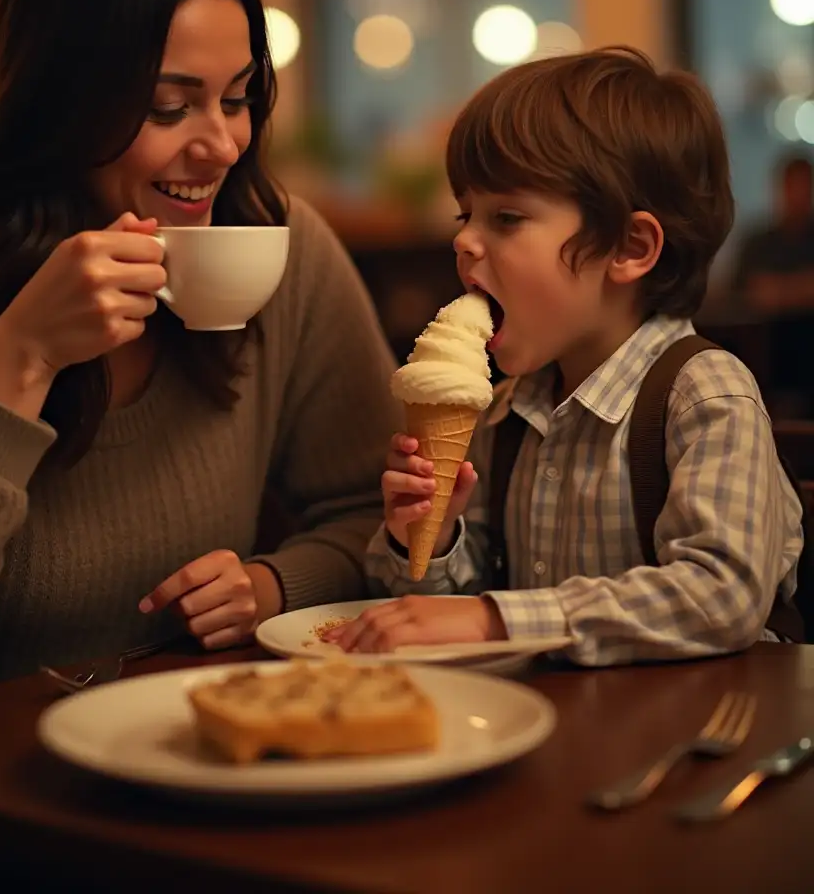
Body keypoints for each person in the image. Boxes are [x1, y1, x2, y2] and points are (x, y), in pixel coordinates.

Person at [0, 0, 398, 702]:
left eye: (236, 99)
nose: (224, 144)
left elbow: (388, 518)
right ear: (55, 106)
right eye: (171, 106)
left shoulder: (279, 250)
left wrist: (274, 586)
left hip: (201, 755)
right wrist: (19, 360)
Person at [328, 48, 804, 665]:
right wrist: (430, 537)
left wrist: (494, 622)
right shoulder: (505, 411)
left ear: (630, 247)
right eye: (465, 214)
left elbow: (722, 595)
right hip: (560, 735)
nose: (464, 239)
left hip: (706, 738)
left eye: (507, 217)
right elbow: (453, 607)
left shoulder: (703, 394)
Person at [731, 154, 814, 417]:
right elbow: (743, 295)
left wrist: (777, 292)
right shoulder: (758, 243)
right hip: (766, 356)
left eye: (804, 186)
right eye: (792, 186)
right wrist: (800, 289)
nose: (797, 195)